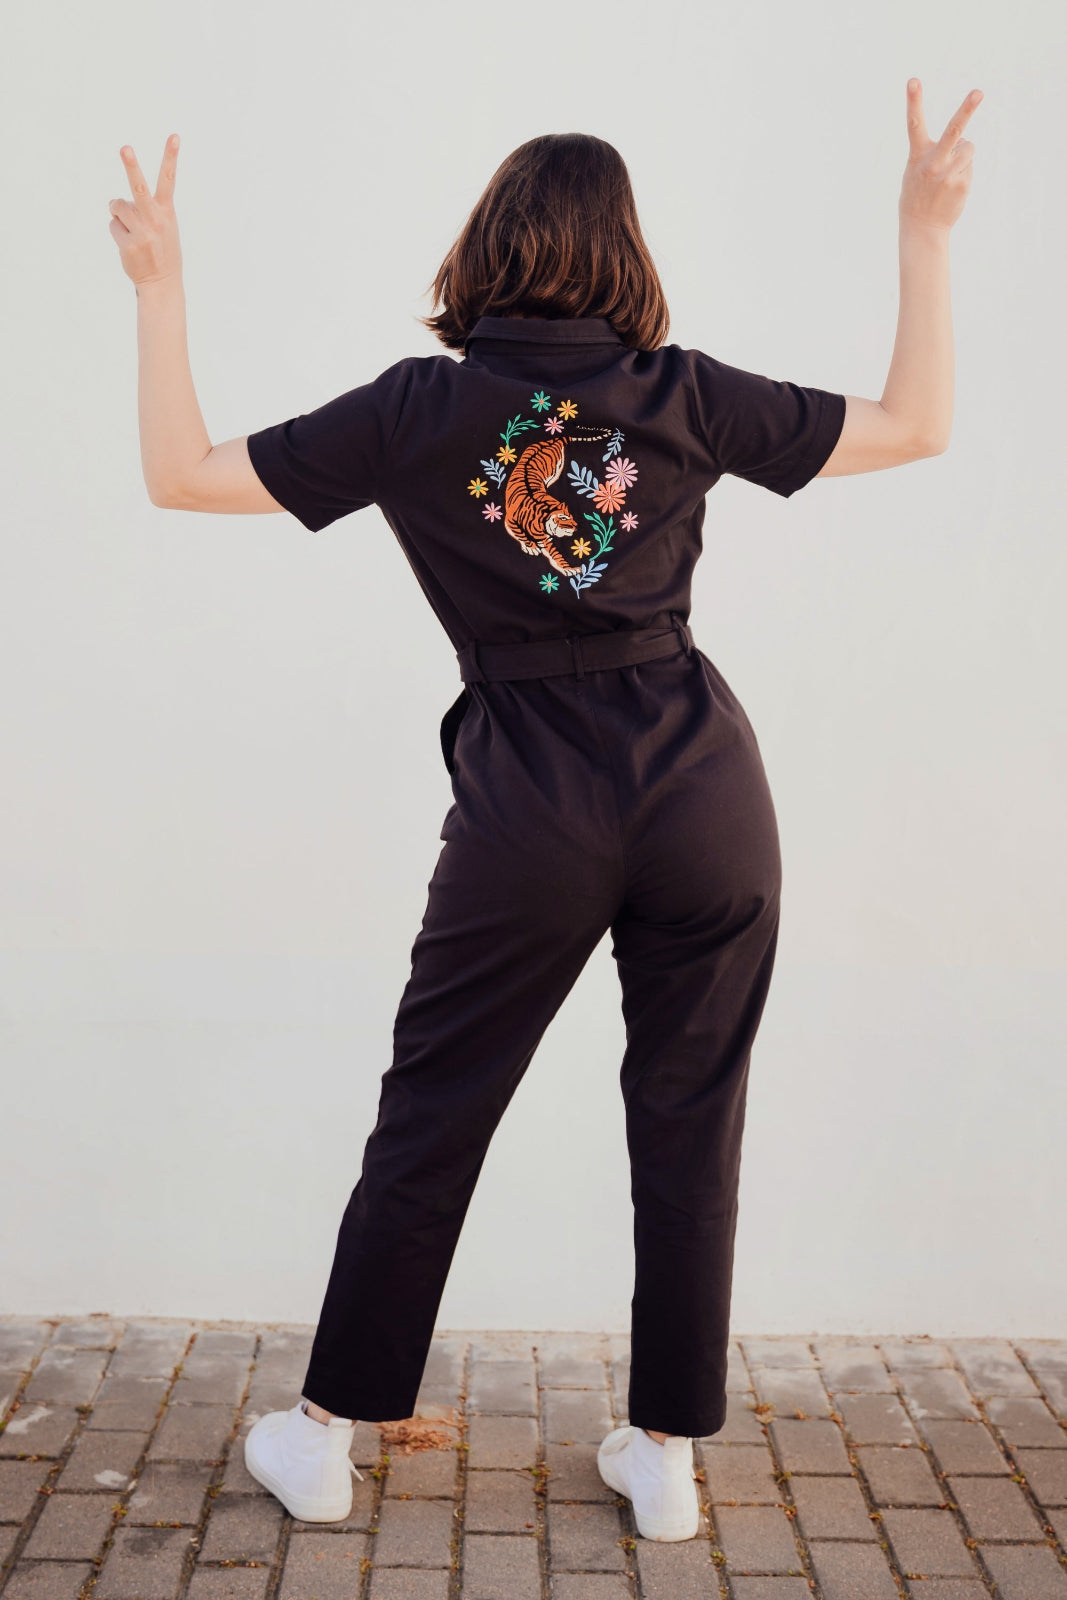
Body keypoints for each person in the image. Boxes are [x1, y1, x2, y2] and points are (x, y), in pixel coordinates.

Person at [107, 82, 982, 1542]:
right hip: (707, 786)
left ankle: (324, 1436)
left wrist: (160, 285)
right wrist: (926, 231)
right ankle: (668, 1461)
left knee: (437, 1108)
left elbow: (179, 478)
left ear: (487, 245)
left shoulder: (417, 409)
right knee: (692, 1114)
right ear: (623, 252)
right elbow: (918, 426)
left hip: (532, 801)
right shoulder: (681, 391)